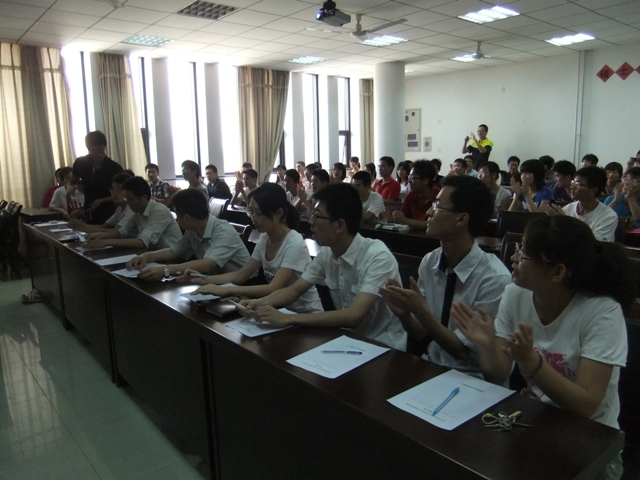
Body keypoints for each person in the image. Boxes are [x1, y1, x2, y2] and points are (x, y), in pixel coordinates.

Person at [452, 215, 633, 478]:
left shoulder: (602, 312)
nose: (514, 258)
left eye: (524, 254)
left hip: (590, 440)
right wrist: (488, 346)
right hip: (535, 423)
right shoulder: (515, 294)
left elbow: (587, 405)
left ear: (557, 272)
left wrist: (533, 364)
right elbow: (498, 374)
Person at [239, 182, 407, 351]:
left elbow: (354, 316)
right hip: (346, 342)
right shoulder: (327, 253)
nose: (310, 221)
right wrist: (257, 304)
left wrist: (287, 318)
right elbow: (293, 291)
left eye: (317, 215)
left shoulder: (377, 256)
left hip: (384, 348)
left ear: (339, 225)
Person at [380, 175, 510, 375]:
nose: (429, 212)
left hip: (473, 378)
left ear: (461, 219)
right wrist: (405, 315)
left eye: (438, 206)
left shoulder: (494, 279)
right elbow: (421, 332)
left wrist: (421, 311)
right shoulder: (431, 261)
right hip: (432, 365)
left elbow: (462, 352)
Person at [181, 184, 323, 313]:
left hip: (306, 313)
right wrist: (205, 279)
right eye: (251, 212)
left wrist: (226, 290)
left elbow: (273, 288)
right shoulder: (265, 238)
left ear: (279, 213)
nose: (253, 218)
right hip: (279, 310)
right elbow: (241, 275)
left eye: (258, 213)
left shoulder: (294, 243)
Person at [126, 189, 250, 281]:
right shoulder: (193, 230)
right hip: (214, 280)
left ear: (186, 218)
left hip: (242, 285)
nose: (176, 219)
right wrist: (146, 256)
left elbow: (207, 264)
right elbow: (173, 251)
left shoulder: (223, 231)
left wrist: (165, 270)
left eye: (177, 215)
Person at [86, 176, 181, 250]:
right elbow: (121, 232)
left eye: (130, 199)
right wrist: (97, 236)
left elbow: (142, 242)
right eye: (126, 199)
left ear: (143, 197)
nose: (128, 203)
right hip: (156, 254)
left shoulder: (159, 210)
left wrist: (107, 242)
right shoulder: (137, 212)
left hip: (174, 258)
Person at [546, 166, 618, 242]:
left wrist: (565, 222)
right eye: (573, 182)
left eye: (577, 184)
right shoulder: (567, 209)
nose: (572, 187)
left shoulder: (608, 216)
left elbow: (595, 245)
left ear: (593, 190)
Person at [72, 130, 123, 224]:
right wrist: (70, 188)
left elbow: (122, 193)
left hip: (108, 210)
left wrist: (102, 200)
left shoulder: (114, 167)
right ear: (89, 148)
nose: (99, 153)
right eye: (94, 150)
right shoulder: (81, 163)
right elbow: (72, 181)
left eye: (101, 149)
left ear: (105, 147)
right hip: (88, 207)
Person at [69, 172, 133, 233]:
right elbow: (104, 226)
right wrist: (82, 225)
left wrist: (85, 228)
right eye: (113, 189)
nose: (114, 193)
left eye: (119, 189)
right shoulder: (120, 209)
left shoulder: (131, 209)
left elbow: (116, 232)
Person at [391, 160, 439, 229]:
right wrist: (388, 217)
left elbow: (434, 224)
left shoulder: (439, 196)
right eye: (409, 177)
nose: (409, 181)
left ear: (425, 181)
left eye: (412, 178)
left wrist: (406, 220)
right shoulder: (411, 195)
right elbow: (401, 217)